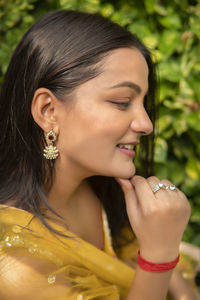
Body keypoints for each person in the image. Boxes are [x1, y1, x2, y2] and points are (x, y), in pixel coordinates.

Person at [0, 9, 198, 300]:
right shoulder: (15, 268)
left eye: (143, 102)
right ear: (48, 111)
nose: (146, 124)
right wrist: (159, 256)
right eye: (121, 101)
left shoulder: (100, 188)